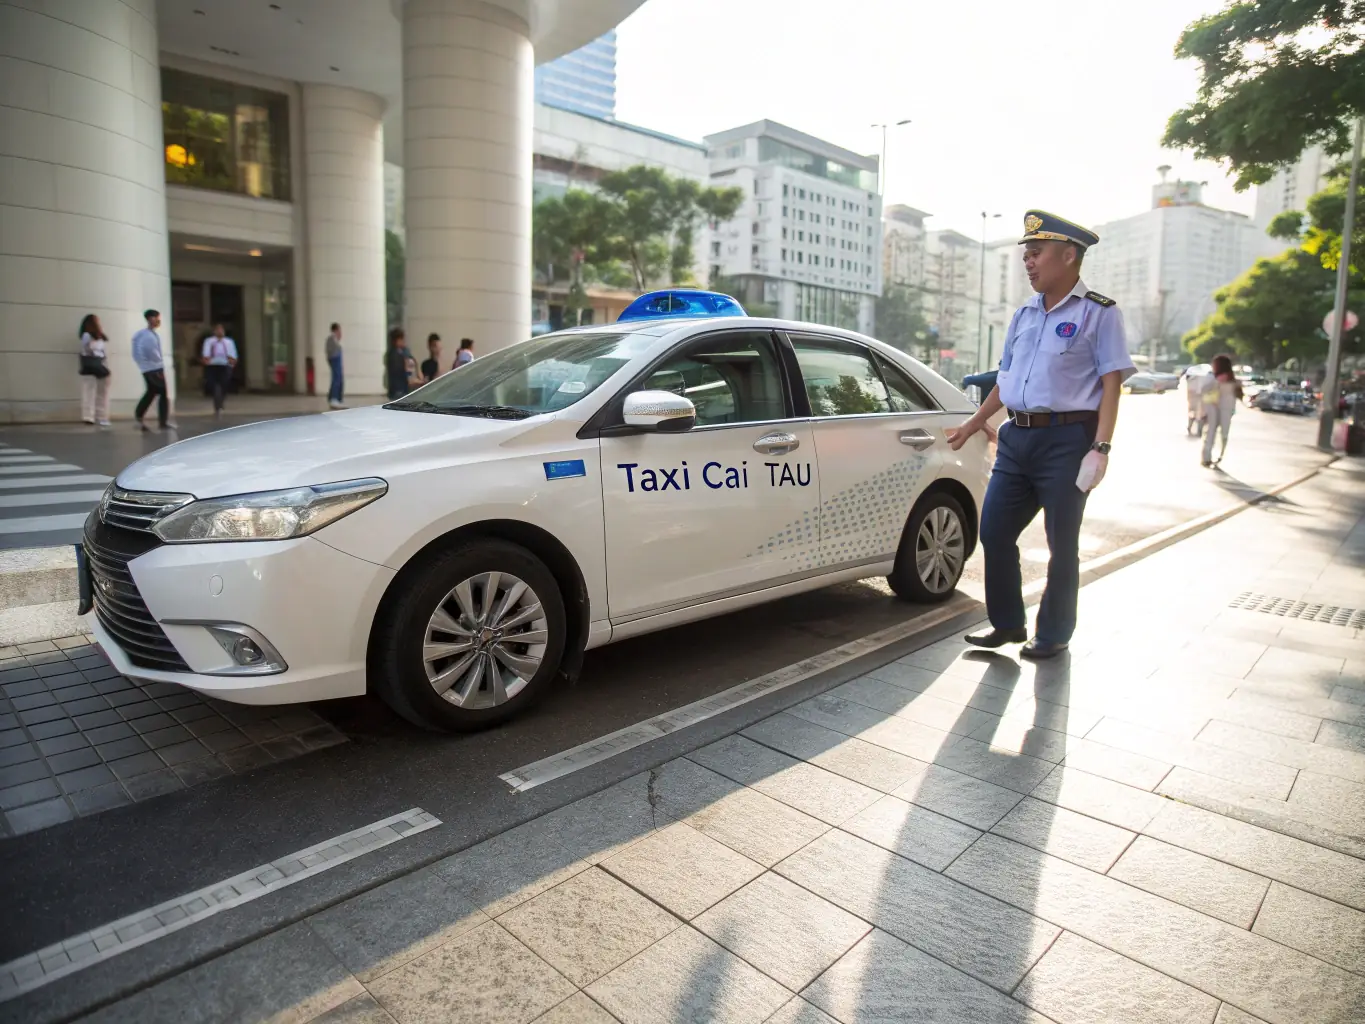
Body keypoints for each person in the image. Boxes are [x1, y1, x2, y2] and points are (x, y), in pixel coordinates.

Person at [946, 210, 1135, 659]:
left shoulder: (1099, 314)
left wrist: (1101, 448)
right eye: (1025, 255)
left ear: (1068, 256)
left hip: (1068, 441)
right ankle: (1008, 624)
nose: (1028, 263)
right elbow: (1006, 381)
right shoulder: (1023, 315)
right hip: (1017, 439)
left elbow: (1112, 384)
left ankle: (1053, 633)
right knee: (993, 532)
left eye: (1036, 254)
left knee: (1060, 543)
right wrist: (976, 422)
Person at [132, 308, 174, 431]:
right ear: (150, 319)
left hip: (147, 368)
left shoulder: (142, 334)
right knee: (162, 393)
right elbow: (151, 352)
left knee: (151, 392)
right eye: (156, 318)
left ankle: (139, 415)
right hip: (154, 368)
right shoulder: (148, 336)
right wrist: (158, 363)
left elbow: (137, 353)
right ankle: (163, 421)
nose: (158, 320)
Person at [1201, 353, 1244, 468]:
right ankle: (1208, 457)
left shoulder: (1232, 379)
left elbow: (1239, 394)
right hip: (1215, 407)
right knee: (1214, 432)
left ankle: (1215, 456)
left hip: (1223, 408)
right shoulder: (1213, 377)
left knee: (1218, 433)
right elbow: (1203, 390)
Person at [78, 313, 111, 426]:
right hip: (91, 364)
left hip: (100, 364)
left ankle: (101, 416)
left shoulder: (100, 336)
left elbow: (103, 351)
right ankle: (89, 416)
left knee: (101, 392)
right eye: (97, 320)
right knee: (89, 391)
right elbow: (86, 349)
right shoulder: (87, 335)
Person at [201, 323, 238, 417]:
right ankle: (217, 404)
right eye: (218, 330)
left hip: (225, 365)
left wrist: (232, 361)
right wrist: (206, 359)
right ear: (214, 331)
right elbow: (206, 353)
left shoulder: (228, 342)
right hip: (212, 365)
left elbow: (233, 353)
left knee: (224, 384)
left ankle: (220, 403)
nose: (220, 332)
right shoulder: (209, 341)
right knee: (212, 385)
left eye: (221, 330)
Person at [385, 327, 417, 400]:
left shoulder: (397, 352)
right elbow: (404, 369)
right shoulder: (395, 354)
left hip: (397, 389)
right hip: (399, 390)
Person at [1183, 366, 1208, 437]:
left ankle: (1191, 427)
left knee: (1192, 413)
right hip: (1199, 396)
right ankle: (1199, 430)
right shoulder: (1200, 376)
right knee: (1200, 414)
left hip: (1192, 396)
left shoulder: (1190, 377)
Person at [325, 322, 345, 409]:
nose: (340, 332)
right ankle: (334, 398)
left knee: (338, 379)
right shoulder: (332, 338)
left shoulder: (334, 339)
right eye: (339, 330)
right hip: (335, 361)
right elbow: (331, 353)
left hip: (336, 361)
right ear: (336, 329)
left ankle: (336, 398)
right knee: (336, 379)